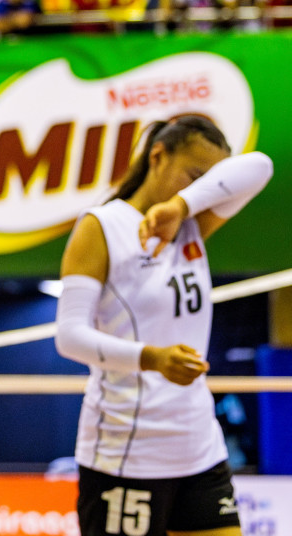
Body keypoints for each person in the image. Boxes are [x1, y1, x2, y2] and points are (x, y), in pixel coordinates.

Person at [55, 117, 273, 536]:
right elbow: (69, 336)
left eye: (212, 182)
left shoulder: (192, 220)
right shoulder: (101, 226)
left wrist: (181, 204)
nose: (203, 191)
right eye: (194, 176)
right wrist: (151, 358)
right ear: (157, 156)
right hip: (126, 452)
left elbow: (260, 166)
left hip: (199, 448)